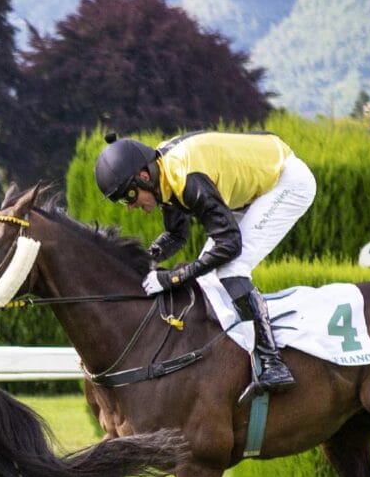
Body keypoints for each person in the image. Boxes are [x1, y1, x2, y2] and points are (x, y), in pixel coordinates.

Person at [93, 129, 317, 395]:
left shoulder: (185, 179)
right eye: (122, 202)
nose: (130, 206)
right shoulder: (162, 174)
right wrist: (145, 261)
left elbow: (229, 245)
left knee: (231, 269)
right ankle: (234, 358)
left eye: (129, 196)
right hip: (255, 184)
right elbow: (177, 235)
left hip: (285, 181)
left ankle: (273, 363)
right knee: (211, 276)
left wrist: (172, 278)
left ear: (143, 176)